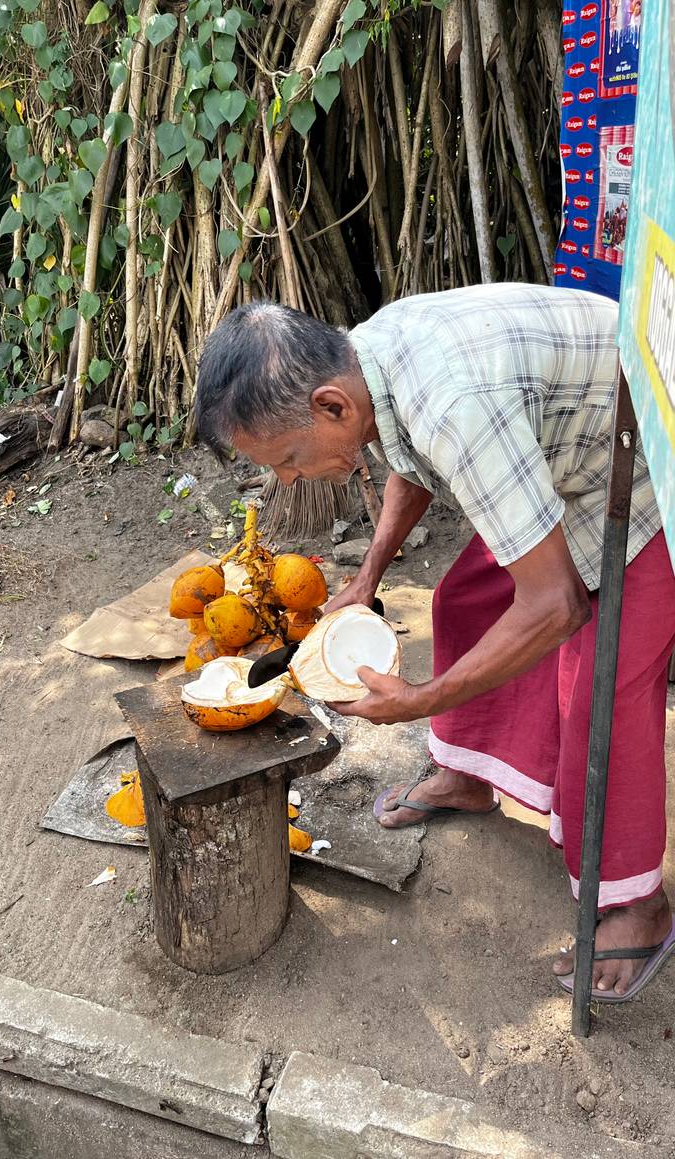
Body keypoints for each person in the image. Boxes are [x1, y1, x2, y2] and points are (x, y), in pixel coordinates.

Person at [195, 284, 675, 1003]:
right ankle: (470, 774)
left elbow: (555, 606)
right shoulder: (369, 357)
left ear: (330, 405)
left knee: (602, 694)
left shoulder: (453, 403)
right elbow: (409, 462)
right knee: (464, 601)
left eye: (290, 457)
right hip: (572, 464)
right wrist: (369, 574)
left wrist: (420, 698)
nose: (286, 479)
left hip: (647, 470)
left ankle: (641, 905)